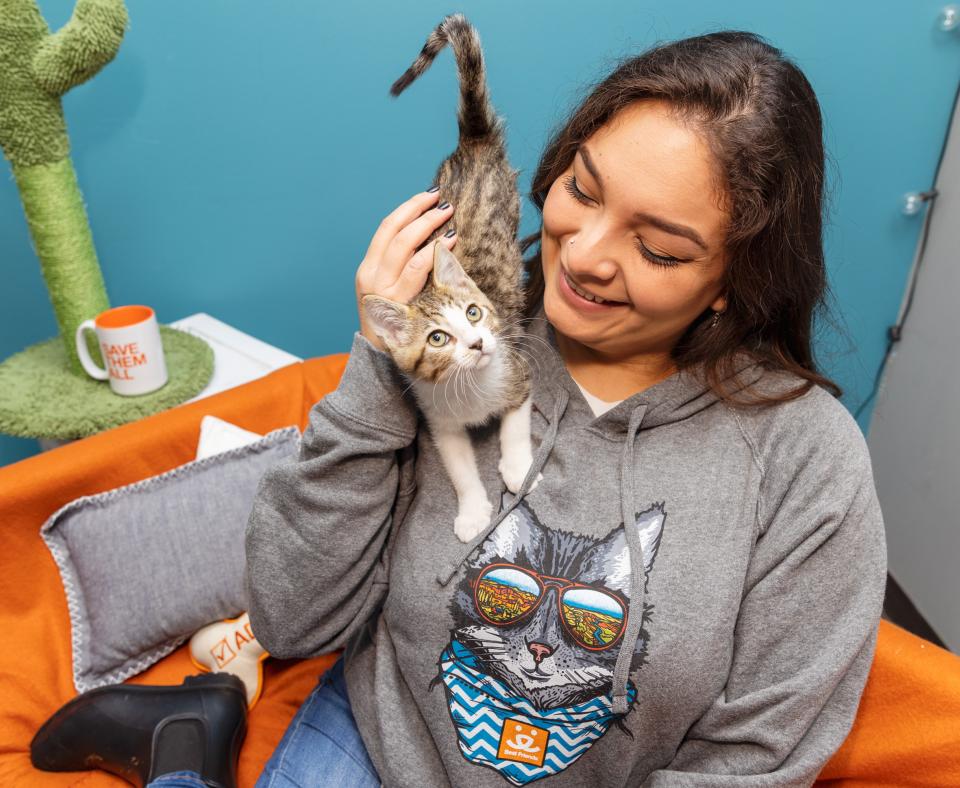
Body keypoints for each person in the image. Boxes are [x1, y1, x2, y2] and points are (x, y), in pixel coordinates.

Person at [31, 29, 887, 788]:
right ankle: (191, 736)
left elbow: (760, 757)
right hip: (374, 746)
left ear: (733, 282)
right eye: (582, 192)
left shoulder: (805, 456)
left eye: (658, 247)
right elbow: (292, 618)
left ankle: (185, 746)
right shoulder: (462, 338)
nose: (584, 257)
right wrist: (382, 359)